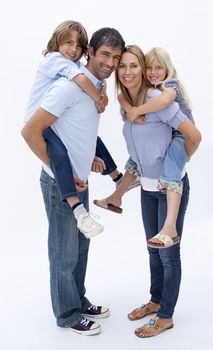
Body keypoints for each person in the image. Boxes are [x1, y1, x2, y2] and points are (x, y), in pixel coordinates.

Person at [21, 27, 125, 335]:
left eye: (116, 57)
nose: (110, 62)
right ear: (90, 52)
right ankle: (66, 314)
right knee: (64, 251)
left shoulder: (96, 87)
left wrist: (86, 159)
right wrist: (58, 170)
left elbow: (79, 130)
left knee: (80, 248)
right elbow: (30, 132)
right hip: (60, 184)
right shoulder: (68, 87)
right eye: (105, 54)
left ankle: (77, 300)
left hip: (79, 180)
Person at [98, 45, 201, 337]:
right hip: (147, 188)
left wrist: (180, 162)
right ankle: (156, 301)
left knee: (169, 254)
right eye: (123, 67)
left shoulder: (158, 98)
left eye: (134, 66)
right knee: (153, 252)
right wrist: (130, 109)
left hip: (170, 188)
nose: (128, 72)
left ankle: (166, 316)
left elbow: (194, 135)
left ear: (143, 70)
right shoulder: (127, 102)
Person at [24, 20, 128, 239]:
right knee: (59, 154)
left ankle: (118, 177)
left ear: (84, 50)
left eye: (77, 45)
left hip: (79, 178)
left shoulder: (75, 68)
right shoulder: (57, 63)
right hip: (45, 140)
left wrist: (103, 92)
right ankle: (77, 209)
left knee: (93, 140)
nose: (73, 49)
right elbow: (81, 80)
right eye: (67, 43)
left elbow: (92, 79)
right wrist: (99, 98)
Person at [94, 46, 195, 249]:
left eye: (159, 67)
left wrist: (137, 110)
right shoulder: (138, 94)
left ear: (168, 69)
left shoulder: (168, 87)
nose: (153, 72)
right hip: (149, 174)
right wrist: (130, 109)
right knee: (134, 160)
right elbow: (121, 96)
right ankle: (116, 197)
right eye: (149, 67)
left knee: (171, 169)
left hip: (181, 135)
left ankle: (170, 227)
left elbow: (167, 102)